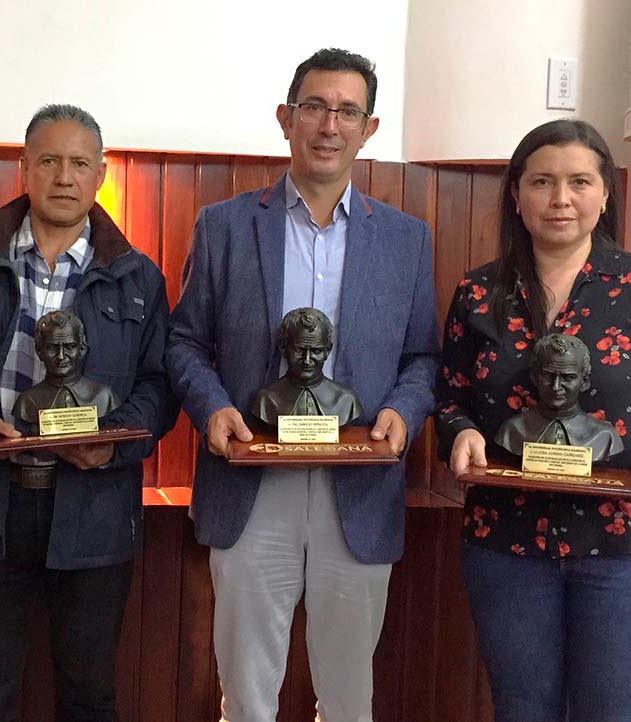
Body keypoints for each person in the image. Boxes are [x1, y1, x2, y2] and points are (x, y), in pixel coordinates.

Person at [166, 48, 440, 722]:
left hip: (359, 490)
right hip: (251, 482)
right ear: (286, 118)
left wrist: (403, 413)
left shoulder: (406, 240)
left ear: (367, 129)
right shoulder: (225, 226)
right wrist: (214, 409)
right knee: (247, 693)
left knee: (349, 697)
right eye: (314, 106)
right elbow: (183, 342)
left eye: (347, 111)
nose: (328, 124)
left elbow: (423, 357)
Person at [0, 104, 178, 722]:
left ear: (101, 174)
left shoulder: (137, 277)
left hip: (94, 509)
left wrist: (117, 444)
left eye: (80, 163)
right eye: (49, 161)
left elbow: (160, 386)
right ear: (24, 168)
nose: (64, 177)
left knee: (88, 695)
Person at [436, 118, 631, 722]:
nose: (561, 199)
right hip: (505, 544)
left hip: (623, 545)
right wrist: (463, 433)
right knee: (522, 713)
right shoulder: (479, 292)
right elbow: (448, 398)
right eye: (542, 181)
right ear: (516, 192)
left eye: (580, 181)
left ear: (605, 193)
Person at [494, 332, 623, 458]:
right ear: (534, 377)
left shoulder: (605, 437)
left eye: (568, 378)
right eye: (548, 376)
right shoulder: (512, 431)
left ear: (584, 381)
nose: (556, 387)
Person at [250, 307, 362, 426]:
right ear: (284, 348)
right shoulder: (266, 399)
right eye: (299, 350)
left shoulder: (346, 399)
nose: (307, 361)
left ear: (327, 351)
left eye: (316, 351)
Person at [13, 309, 120, 426]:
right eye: (52, 347)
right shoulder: (27, 402)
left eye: (70, 346)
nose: (61, 356)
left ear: (82, 349)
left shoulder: (105, 397)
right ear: (39, 351)